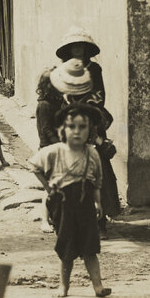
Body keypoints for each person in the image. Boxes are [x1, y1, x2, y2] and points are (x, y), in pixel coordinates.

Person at [36, 27, 121, 231]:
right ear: (68, 49)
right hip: (71, 121)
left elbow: (99, 94)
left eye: (80, 46)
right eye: (73, 47)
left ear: (86, 48)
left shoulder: (94, 69)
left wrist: (86, 107)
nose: (77, 50)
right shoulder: (63, 70)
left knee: (97, 165)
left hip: (90, 118)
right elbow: (62, 91)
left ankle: (101, 219)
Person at [28, 103, 112, 298]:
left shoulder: (91, 153)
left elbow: (97, 181)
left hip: (85, 205)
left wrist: (98, 203)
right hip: (63, 205)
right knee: (66, 249)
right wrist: (49, 188)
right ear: (62, 130)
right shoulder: (55, 151)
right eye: (71, 126)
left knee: (90, 248)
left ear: (90, 130)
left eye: (82, 127)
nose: (77, 131)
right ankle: (63, 286)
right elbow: (33, 165)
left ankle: (98, 286)